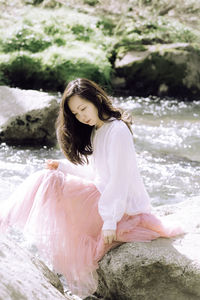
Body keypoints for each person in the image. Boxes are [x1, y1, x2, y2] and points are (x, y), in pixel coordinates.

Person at [0, 78, 183, 299]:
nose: (81, 117)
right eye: (76, 114)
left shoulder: (118, 130)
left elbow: (119, 180)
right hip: (104, 197)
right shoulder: (99, 129)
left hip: (120, 207)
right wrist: (64, 166)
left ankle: (4, 222)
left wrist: (110, 221)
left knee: (49, 181)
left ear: (96, 99)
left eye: (83, 108)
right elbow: (97, 172)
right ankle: (6, 223)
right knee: (51, 176)